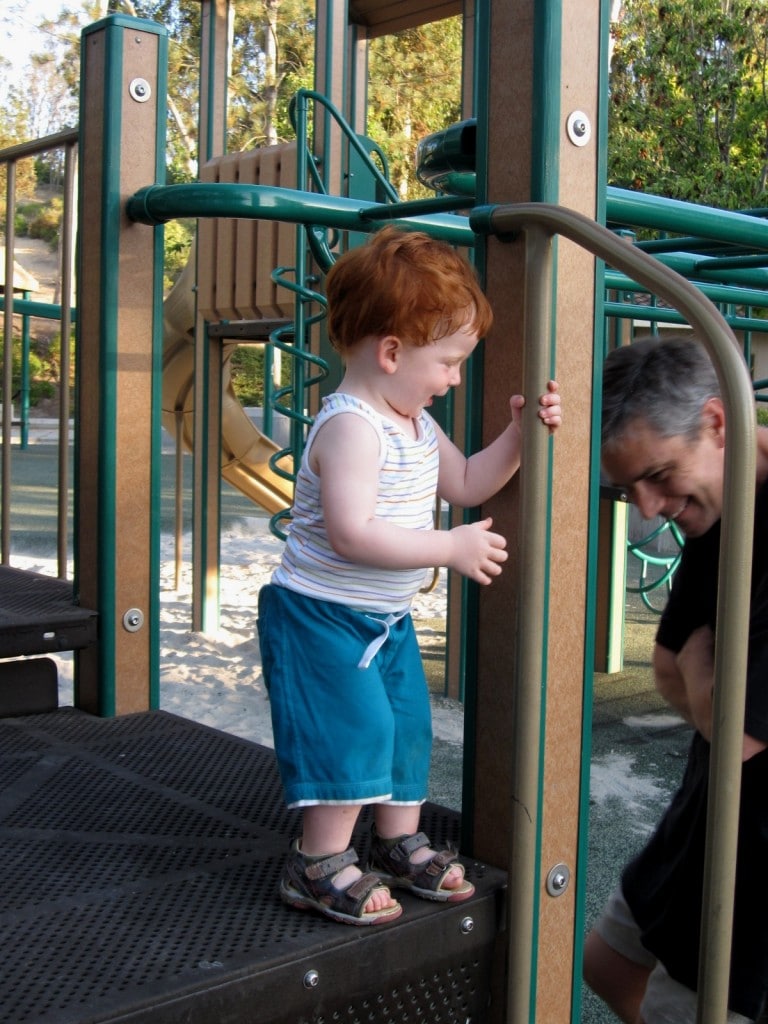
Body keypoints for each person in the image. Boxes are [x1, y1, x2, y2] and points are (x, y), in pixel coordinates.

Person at [257, 226, 561, 926]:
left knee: (406, 726)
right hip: (319, 618)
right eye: (449, 362)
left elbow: (468, 480)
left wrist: (521, 437)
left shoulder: (417, 425)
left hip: (383, 620)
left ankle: (396, 841)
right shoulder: (353, 428)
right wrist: (445, 550)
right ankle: (318, 860)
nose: (454, 378)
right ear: (392, 353)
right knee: (352, 729)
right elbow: (350, 532)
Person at [584, 336, 768, 1022]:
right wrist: (704, 683)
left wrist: (704, 677)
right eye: (629, 487)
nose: (647, 508)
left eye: (659, 475)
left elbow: (738, 727)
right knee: (605, 962)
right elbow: (666, 667)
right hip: (710, 805)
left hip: (752, 852)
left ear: (718, 423)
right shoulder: (718, 510)